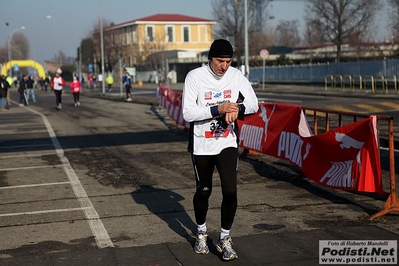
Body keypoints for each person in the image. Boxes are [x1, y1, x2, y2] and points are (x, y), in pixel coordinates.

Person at [182, 39, 259, 261]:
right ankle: (201, 232)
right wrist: (218, 108)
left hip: (226, 142)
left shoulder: (235, 76)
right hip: (202, 143)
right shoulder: (195, 77)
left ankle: (224, 238)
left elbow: (253, 103)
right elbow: (188, 113)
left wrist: (236, 108)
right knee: (204, 191)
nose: (224, 66)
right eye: (220, 61)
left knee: (231, 191)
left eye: (228, 61)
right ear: (210, 58)